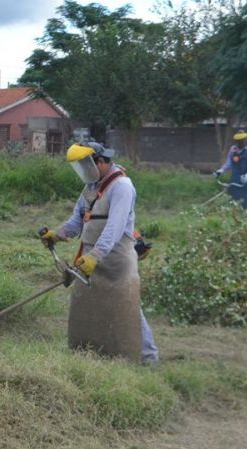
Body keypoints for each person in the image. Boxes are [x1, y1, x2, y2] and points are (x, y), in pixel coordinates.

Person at [40, 142, 159, 364]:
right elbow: (77, 221)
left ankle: (148, 357)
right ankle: (96, 352)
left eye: (87, 165)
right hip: (89, 259)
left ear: (102, 162)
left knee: (127, 306)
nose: (84, 171)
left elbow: (115, 226)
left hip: (116, 260)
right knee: (91, 306)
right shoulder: (90, 188)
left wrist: (96, 255)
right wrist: (58, 234)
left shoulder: (122, 186)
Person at [213, 130, 247, 209]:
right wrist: (221, 170)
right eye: (238, 141)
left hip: (246, 180)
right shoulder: (233, 149)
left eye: (241, 141)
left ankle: (245, 212)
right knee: (233, 201)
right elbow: (228, 163)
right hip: (235, 178)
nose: (239, 143)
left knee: (245, 202)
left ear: (245, 140)